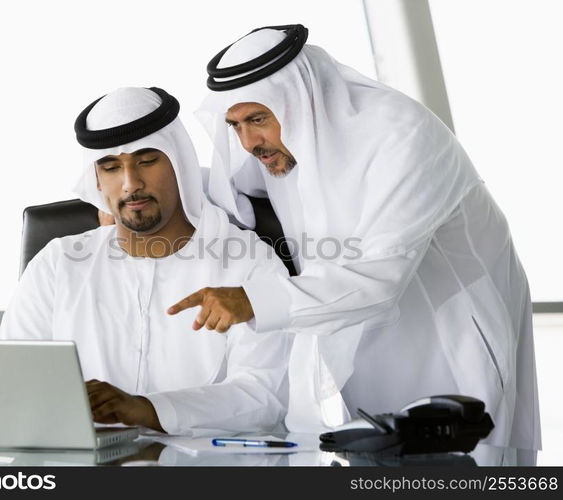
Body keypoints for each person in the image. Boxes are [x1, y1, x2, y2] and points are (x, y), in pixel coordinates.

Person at [168, 25, 541, 457]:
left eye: (258, 119)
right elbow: (229, 189)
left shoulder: (403, 136)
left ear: (301, 101)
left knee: (459, 459)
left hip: (450, 329)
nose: (249, 142)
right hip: (350, 326)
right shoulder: (279, 142)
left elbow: (380, 277)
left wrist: (254, 300)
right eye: (235, 125)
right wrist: (136, 198)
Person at [1, 86, 291, 436]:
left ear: (180, 164)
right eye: (110, 167)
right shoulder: (57, 264)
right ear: (97, 181)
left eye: (147, 161)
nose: (130, 184)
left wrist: (146, 409)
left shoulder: (247, 261)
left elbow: (264, 395)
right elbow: (17, 382)